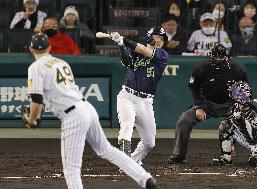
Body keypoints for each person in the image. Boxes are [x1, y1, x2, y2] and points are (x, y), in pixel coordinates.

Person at [23, 32, 158, 189]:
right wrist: (35, 113)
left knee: (71, 169)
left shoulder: (35, 67)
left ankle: (145, 179)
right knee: (106, 149)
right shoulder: (60, 62)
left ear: (31, 49)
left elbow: (37, 100)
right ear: (50, 47)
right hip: (87, 108)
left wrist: (31, 120)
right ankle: (146, 179)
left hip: (72, 115)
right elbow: (51, 95)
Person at [168, 44, 248, 164]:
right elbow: (193, 87)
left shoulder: (236, 68)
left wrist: (239, 106)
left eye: (221, 58)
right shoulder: (202, 67)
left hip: (230, 104)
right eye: (216, 58)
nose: (218, 60)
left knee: (247, 120)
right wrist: (199, 106)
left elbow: (244, 88)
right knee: (184, 120)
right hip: (207, 104)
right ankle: (178, 155)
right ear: (211, 56)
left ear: (226, 57)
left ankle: (251, 152)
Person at [108, 27, 169, 166]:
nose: (159, 40)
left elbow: (143, 50)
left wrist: (124, 40)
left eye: (162, 38)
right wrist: (121, 44)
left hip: (146, 101)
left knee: (149, 143)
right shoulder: (135, 52)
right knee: (127, 125)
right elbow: (127, 62)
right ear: (149, 37)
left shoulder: (163, 55)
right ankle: (124, 162)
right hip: (127, 96)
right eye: (156, 37)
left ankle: (133, 161)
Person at [210, 81, 257, 166]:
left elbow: (253, 136)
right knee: (225, 125)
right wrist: (232, 144)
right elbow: (235, 128)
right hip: (251, 139)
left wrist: (240, 117)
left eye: (242, 94)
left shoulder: (256, 106)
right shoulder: (236, 107)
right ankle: (226, 158)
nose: (241, 98)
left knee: (256, 160)